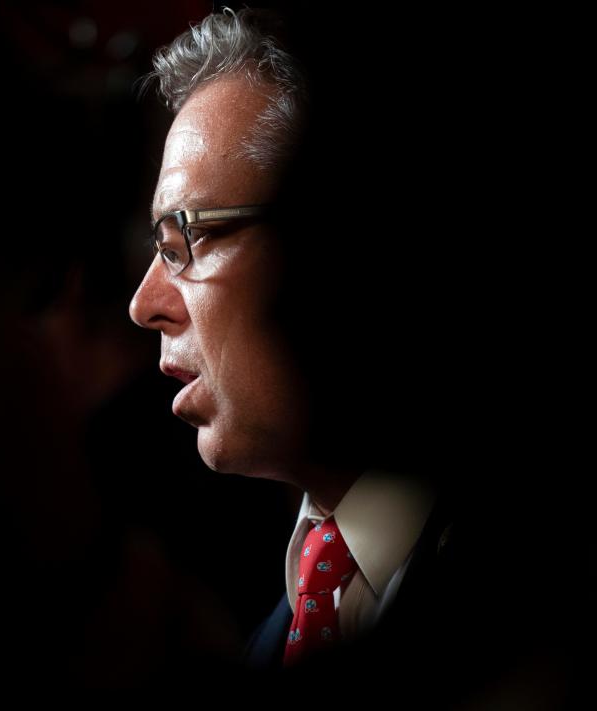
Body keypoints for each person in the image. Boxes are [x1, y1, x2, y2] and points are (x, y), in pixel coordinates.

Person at [127, 6, 576, 705]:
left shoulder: (545, 596)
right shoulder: (264, 650)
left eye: (181, 236)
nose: (145, 301)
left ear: (336, 230)